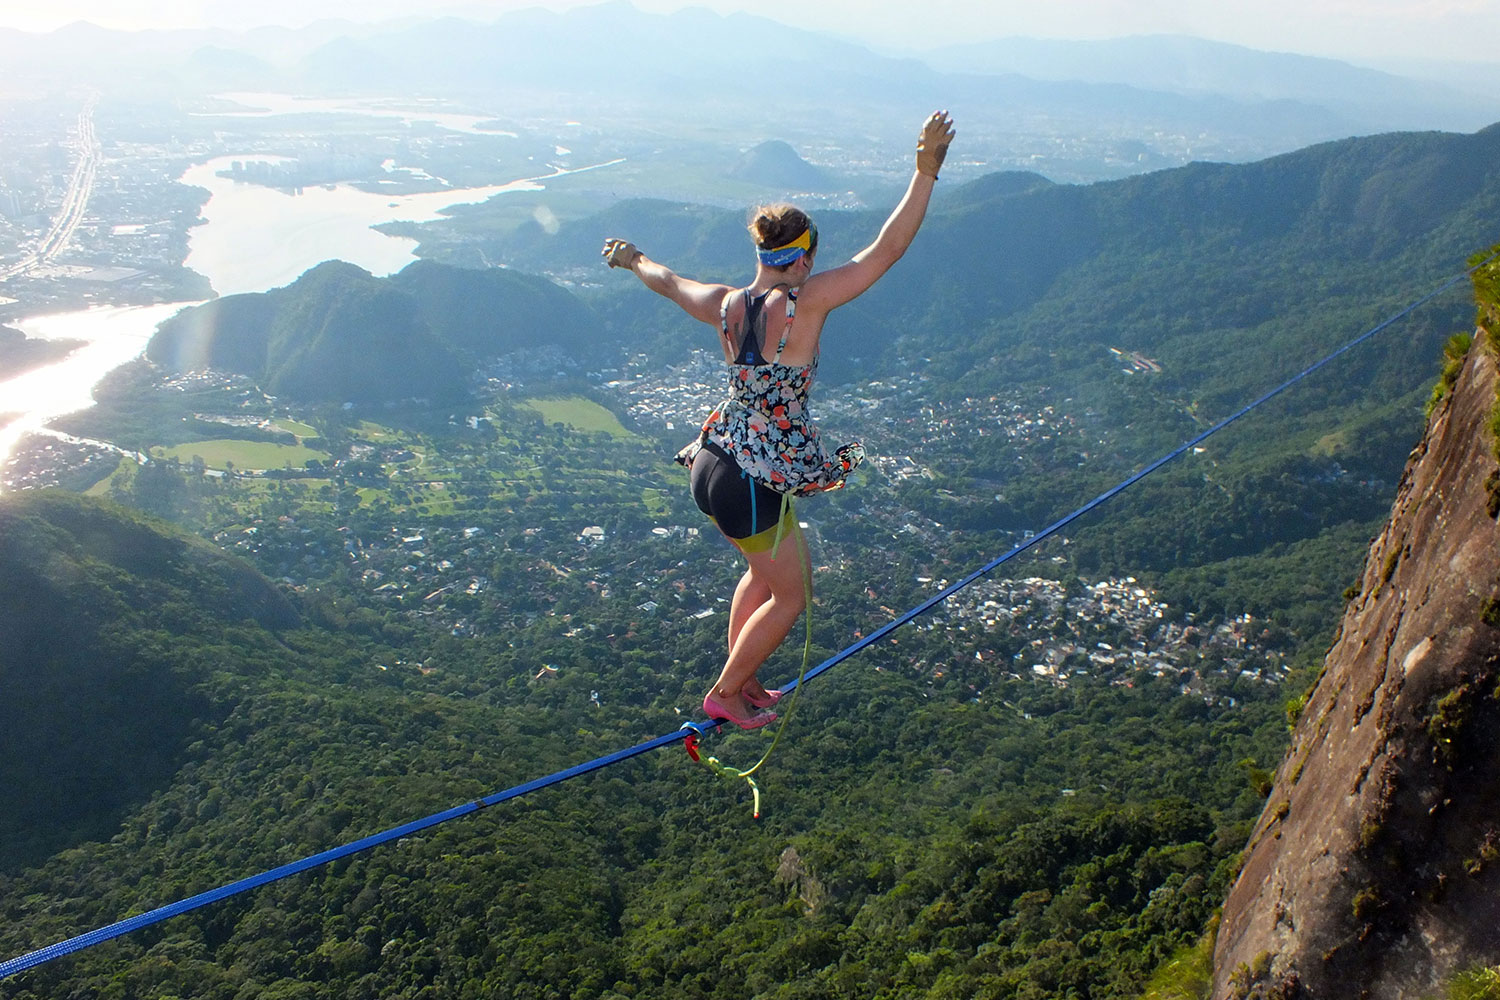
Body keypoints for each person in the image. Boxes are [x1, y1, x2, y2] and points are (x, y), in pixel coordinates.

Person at [602, 111, 956, 729]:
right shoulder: (807, 302)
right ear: (804, 257)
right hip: (752, 478)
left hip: (713, 460)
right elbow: (889, 249)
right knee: (792, 595)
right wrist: (924, 173)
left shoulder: (723, 303)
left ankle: (745, 674)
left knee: (761, 576)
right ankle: (727, 691)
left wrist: (632, 257)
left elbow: (667, 282)